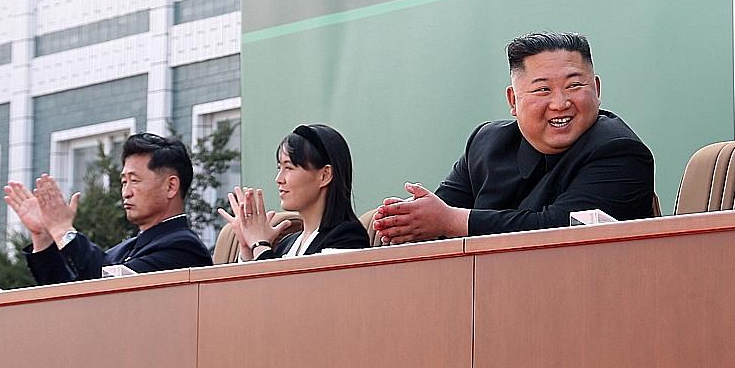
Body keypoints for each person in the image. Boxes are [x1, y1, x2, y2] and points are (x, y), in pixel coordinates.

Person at [373, 32, 655, 243]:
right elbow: (438, 216)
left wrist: (451, 222)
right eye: (543, 90)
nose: (560, 103)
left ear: (596, 89)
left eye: (574, 85)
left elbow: (561, 229)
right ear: (513, 100)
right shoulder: (485, 144)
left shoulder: (620, 151)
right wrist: (407, 220)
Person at [5, 132, 212, 284]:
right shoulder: (124, 249)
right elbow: (70, 295)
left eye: (135, 181)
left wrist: (62, 229)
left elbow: (110, 289)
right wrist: (43, 237)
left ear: (171, 186)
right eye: (124, 182)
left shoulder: (183, 248)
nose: (126, 192)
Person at [218, 123, 369, 260]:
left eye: (289, 167)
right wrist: (247, 248)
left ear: (325, 175)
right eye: (279, 168)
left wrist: (260, 244)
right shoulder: (287, 244)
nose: (279, 179)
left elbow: (286, 282)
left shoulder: (348, 237)